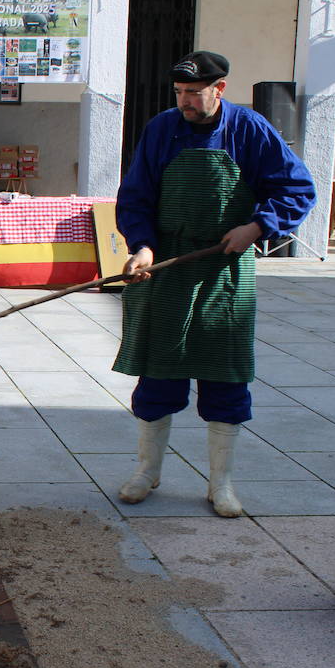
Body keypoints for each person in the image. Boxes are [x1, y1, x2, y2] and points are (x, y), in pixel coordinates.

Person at [113, 51, 315, 517]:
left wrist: (258, 227)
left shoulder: (251, 130)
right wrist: (141, 246)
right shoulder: (162, 129)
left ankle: (220, 484)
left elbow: (296, 189)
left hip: (224, 272)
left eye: (194, 94)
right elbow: (136, 195)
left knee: (225, 378)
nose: (185, 102)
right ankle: (147, 471)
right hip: (166, 269)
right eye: (180, 94)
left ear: (219, 89)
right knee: (159, 374)